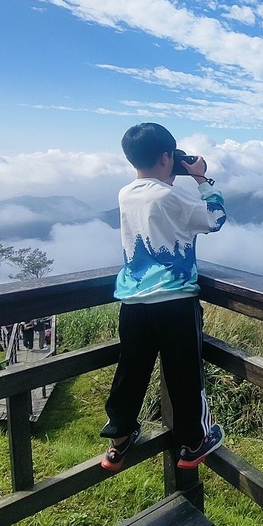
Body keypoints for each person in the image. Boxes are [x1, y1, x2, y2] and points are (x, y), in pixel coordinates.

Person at [99, 122, 227, 472]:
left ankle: (119, 439)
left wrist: (171, 173)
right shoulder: (174, 196)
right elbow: (215, 219)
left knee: (132, 370)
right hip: (174, 301)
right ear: (167, 157)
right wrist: (201, 178)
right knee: (184, 374)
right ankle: (194, 442)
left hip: (134, 302)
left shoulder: (125, 194)